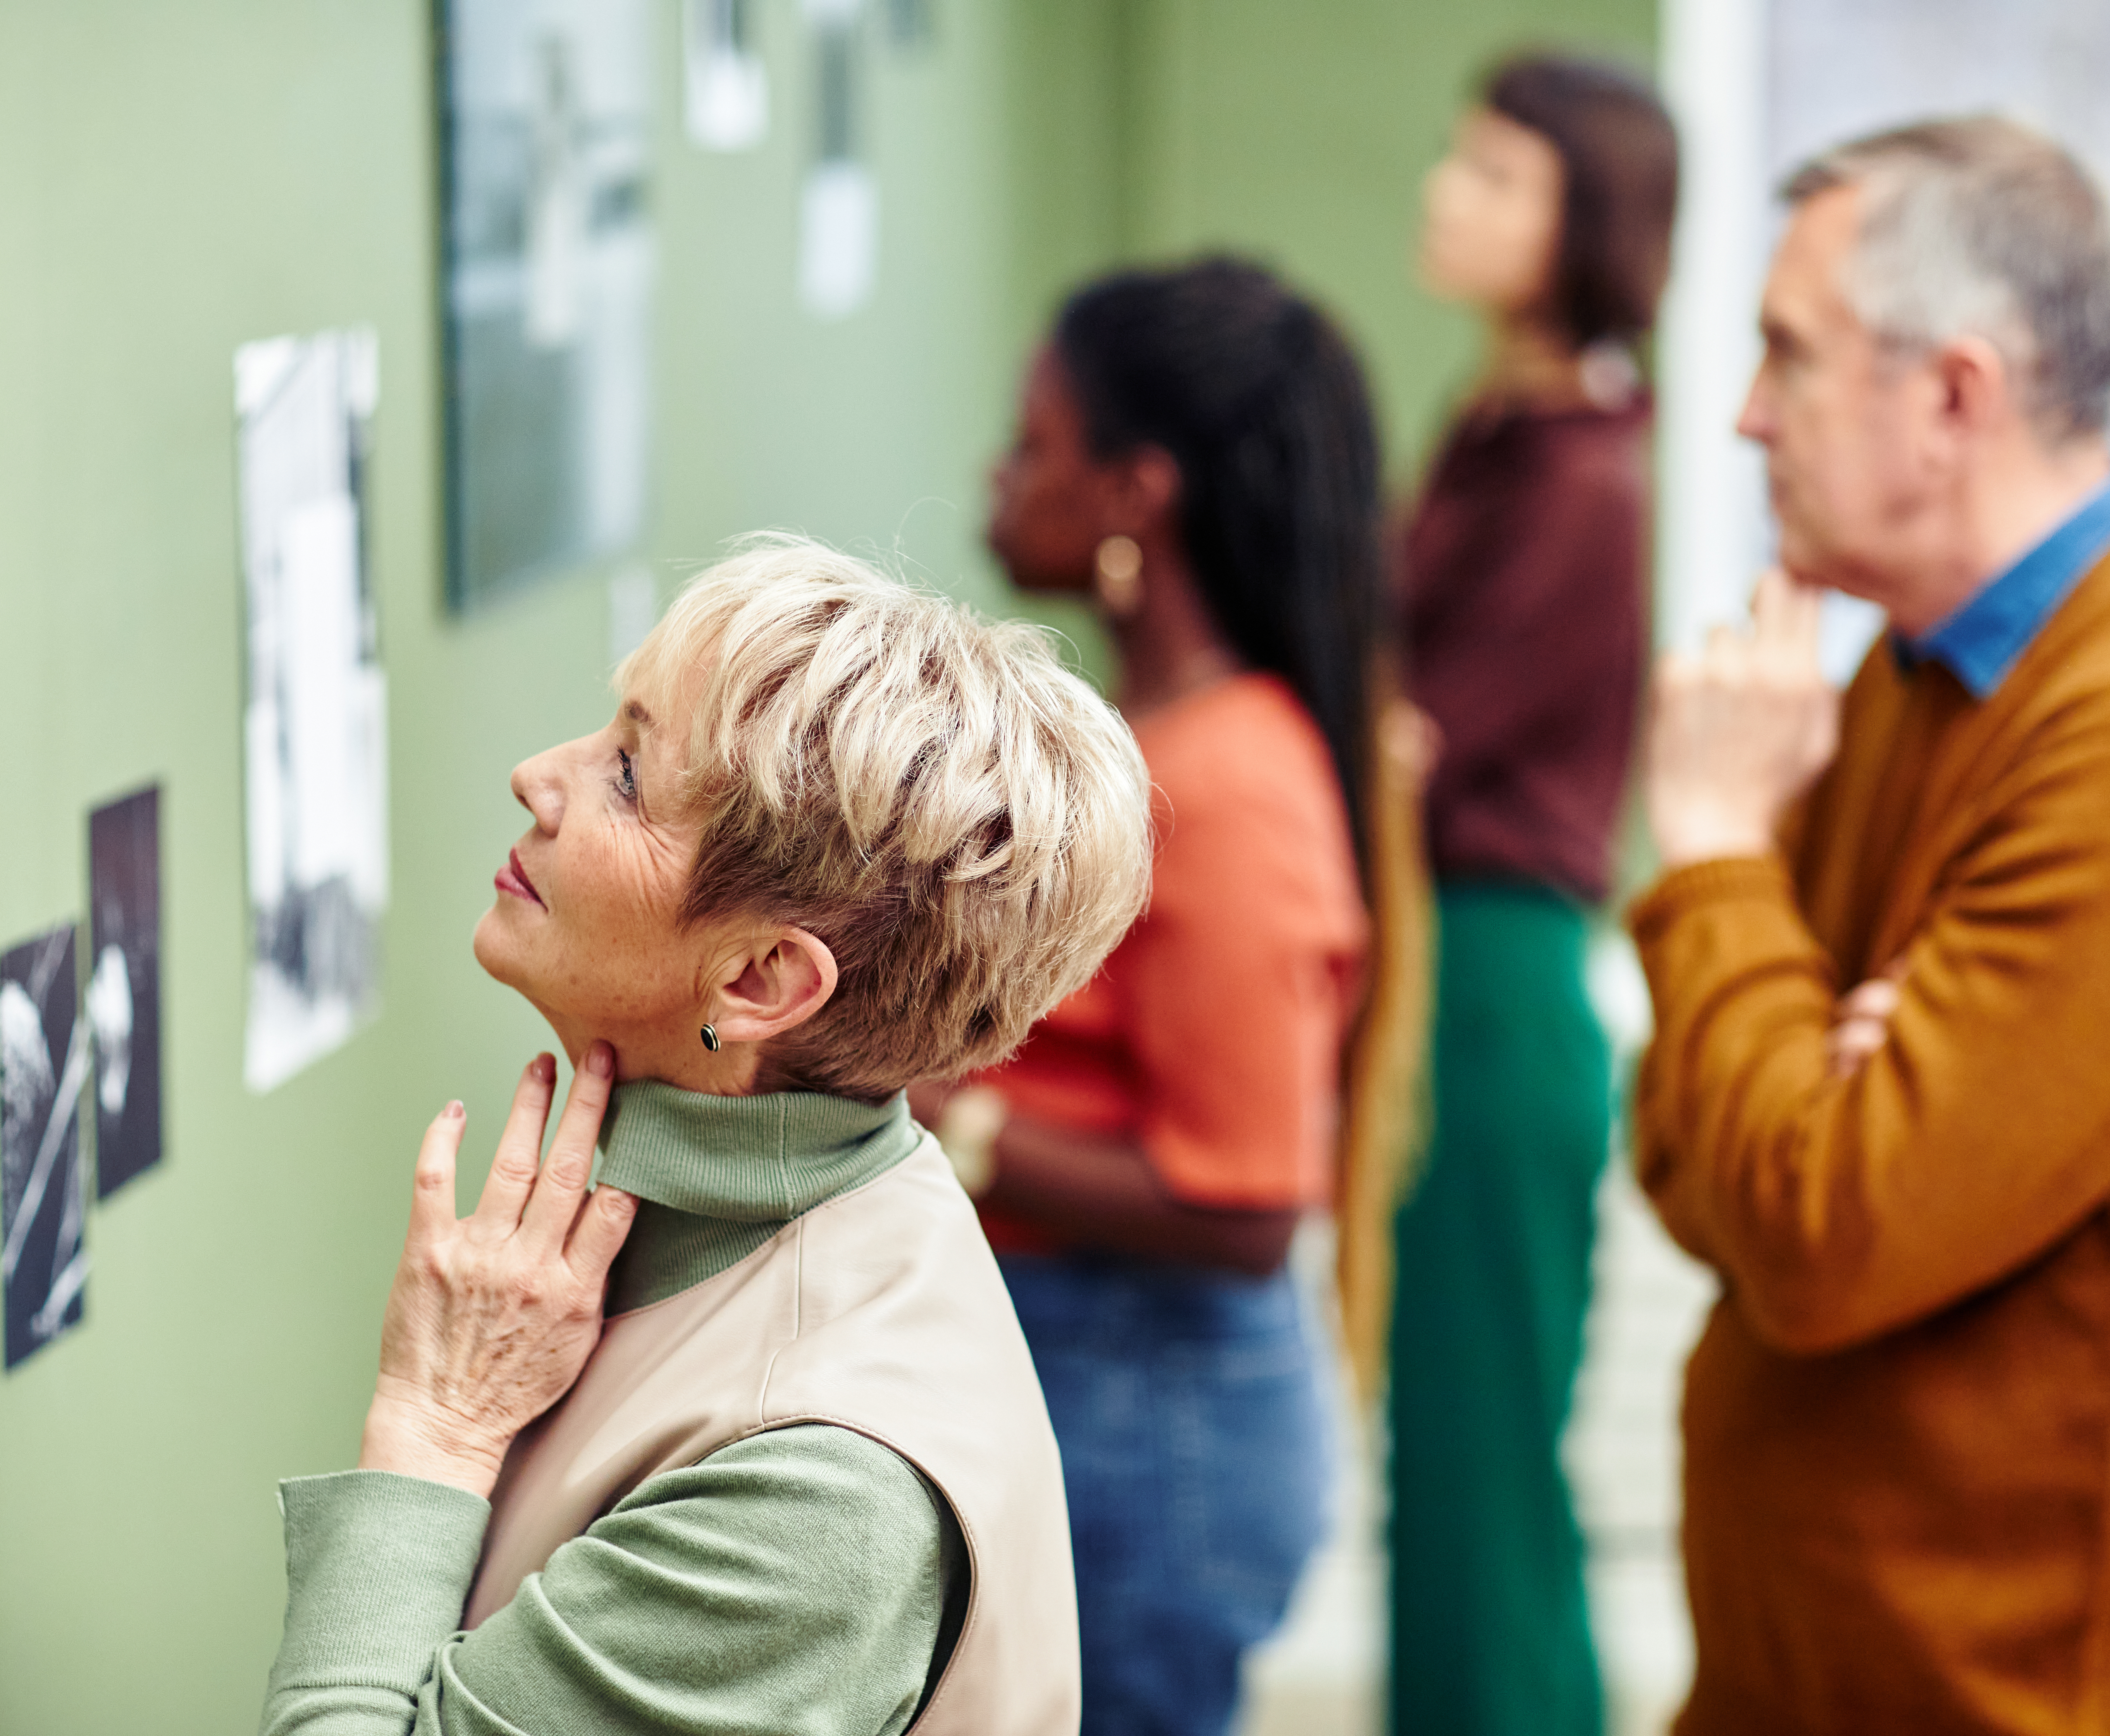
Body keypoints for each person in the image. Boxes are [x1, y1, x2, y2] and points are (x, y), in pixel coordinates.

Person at [1632, 117, 2110, 1735]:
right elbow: (1692, 1162)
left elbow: (1819, 1237)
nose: (1747, 415)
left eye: (1787, 356)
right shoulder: (1913, 670)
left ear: (1952, 395)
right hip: (1806, 1672)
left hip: (2021, 1697)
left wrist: (1711, 854)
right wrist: (1800, 1079)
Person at [256, 539, 1155, 1736]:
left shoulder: (820, 1505)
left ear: (764, 980)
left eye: (627, 776)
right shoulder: (818, 1196)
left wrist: (438, 1420)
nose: (539, 776)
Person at [912, 257, 1382, 1736]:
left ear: (1137, 493)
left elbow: (1246, 1208)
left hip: (1151, 1419)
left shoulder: (1231, 785)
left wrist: (953, 1121)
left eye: (1035, 444)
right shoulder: (1145, 742)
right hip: (1091, 1378)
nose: (999, 475)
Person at [1385, 51, 1676, 1736]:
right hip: (1458, 979)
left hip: (1503, 988)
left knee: (1489, 1491)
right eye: (1461, 161)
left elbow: (1414, 746)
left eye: (1498, 179)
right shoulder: (1503, 428)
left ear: (1587, 229)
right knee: (1455, 1482)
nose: (1448, 194)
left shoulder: (1584, 475)